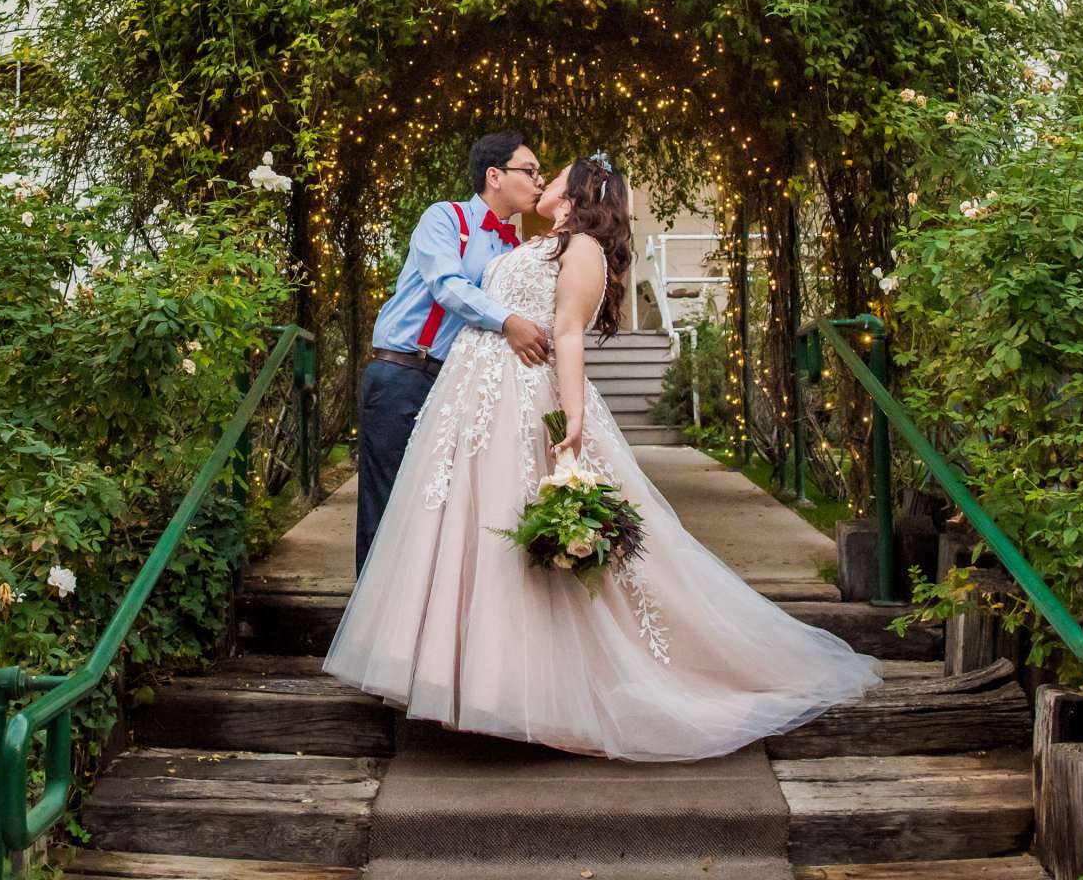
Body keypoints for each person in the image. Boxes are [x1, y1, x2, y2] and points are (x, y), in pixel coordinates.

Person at [325, 153, 884, 761]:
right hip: (472, 402)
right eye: (535, 169)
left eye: (553, 173)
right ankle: (471, 681)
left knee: (518, 536)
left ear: (583, 188)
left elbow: (566, 333)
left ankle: (536, 688)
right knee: (470, 537)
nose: (543, 180)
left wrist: (571, 420)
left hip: (521, 398)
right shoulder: (523, 238)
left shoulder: (582, 248)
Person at [355, 129, 552, 572]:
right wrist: (508, 322)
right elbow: (447, 286)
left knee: (436, 506)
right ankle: (373, 630)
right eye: (531, 170)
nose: (539, 181)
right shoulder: (445, 219)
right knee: (384, 505)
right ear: (494, 176)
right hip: (403, 375)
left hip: (458, 386)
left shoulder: (515, 248)